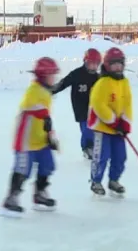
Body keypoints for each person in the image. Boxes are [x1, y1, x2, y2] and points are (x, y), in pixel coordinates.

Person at [1, 57, 61, 217]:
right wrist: (44, 116)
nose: (54, 78)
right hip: (26, 140)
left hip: (41, 139)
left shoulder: (46, 93)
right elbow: (31, 106)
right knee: (22, 170)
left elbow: (46, 119)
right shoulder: (33, 90)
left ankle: (40, 194)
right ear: (42, 75)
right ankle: (11, 199)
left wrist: (51, 137)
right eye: (51, 75)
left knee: (48, 165)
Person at [87, 47, 132, 196]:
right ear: (107, 65)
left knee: (120, 156)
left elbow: (127, 104)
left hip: (118, 127)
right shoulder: (103, 83)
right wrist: (113, 122)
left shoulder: (124, 82)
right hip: (102, 127)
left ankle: (114, 180)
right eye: (114, 63)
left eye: (120, 63)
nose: (118, 66)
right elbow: (99, 105)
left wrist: (125, 122)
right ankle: (96, 181)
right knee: (102, 156)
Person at [52, 48, 102, 159]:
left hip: (93, 107)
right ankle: (87, 148)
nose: (93, 67)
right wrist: (51, 90)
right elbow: (63, 83)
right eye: (91, 64)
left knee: (95, 128)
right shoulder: (77, 74)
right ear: (85, 62)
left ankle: (94, 145)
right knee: (86, 127)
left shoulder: (98, 77)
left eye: (96, 64)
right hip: (80, 107)